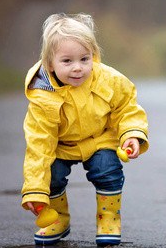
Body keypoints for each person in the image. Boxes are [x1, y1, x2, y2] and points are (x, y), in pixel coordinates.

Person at [21, 13, 149, 246]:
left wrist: (131, 134)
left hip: (98, 139)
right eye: (67, 61)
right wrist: (34, 190)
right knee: (52, 174)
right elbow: (39, 145)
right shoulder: (42, 96)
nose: (78, 68)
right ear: (50, 62)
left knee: (107, 168)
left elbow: (127, 108)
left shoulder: (108, 80)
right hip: (61, 146)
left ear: (94, 56)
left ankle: (108, 218)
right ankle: (58, 219)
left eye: (84, 59)